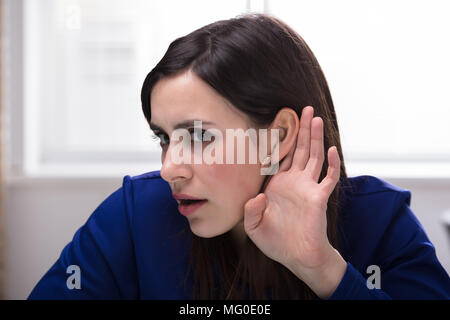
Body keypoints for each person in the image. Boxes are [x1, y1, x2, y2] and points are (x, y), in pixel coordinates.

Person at [28, 13, 450, 300]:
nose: (168, 168)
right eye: (163, 137)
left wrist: (324, 270)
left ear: (278, 135)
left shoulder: (379, 221)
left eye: (197, 136)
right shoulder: (135, 213)